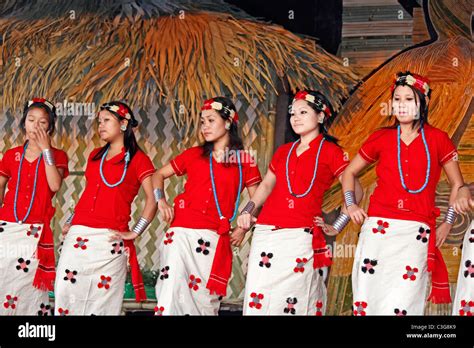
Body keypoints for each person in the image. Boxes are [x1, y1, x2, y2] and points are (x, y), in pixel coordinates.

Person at [342, 72, 467, 315]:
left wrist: (447, 223)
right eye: (397, 99)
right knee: (369, 296)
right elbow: (349, 173)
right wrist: (351, 205)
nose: (401, 105)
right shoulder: (381, 136)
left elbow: (458, 186)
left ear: (424, 102)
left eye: (409, 99)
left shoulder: (439, 139)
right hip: (378, 229)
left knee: (406, 301)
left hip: (415, 233)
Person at [238, 90, 363, 315]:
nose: (295, 118)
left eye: (303, 112)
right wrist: (247, 210)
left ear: (321, 117)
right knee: (259, 295)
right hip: (266, 232)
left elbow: (356, 186)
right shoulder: (283, 151)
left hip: (300, 235)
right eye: (293, 113)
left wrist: (339, 224)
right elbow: (266, 186)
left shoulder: (332, 152)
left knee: (295, 298)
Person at [153, 97, 261, 315]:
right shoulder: (193, 155)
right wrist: (160, 200)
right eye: (202, 122)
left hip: (213, 237)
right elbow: (158, 175)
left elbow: (257, 198)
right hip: (181, 232)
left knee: (204, 301)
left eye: (211, 120)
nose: (205, 127)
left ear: (228, 122)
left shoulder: (245, 161)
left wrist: (243, 227)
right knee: (171, 287)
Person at [54, 101, 156, 315]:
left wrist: (135, 232)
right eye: (99, 121)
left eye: (106, 120)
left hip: (110, 239)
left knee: (103, 301)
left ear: (123, 124)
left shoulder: (139, 160)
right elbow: (88, 194)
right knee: (65, 291)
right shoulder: (94, 156)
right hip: (79, 235)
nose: (100, 125)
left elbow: (152, 200)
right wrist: (70, 221)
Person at [0, 98, 69, 315]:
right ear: (23, 123)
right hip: (7, 228)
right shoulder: (12, 155)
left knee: (28, 287)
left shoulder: (58, 156)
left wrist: (46, 149)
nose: (35, 126)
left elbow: (54, 185)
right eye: (31, 120)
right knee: (3, 280)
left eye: (42, 122)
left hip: (35, 232)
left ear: (50, 127)